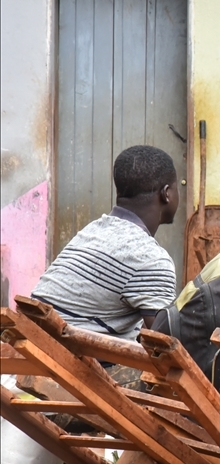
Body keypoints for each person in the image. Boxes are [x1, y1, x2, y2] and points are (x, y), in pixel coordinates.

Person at [32, 145, 179, 341]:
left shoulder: (94, 230)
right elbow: (166, 348)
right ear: (167, 193)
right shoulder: (150, 259)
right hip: (66, 363)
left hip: (34, 349)